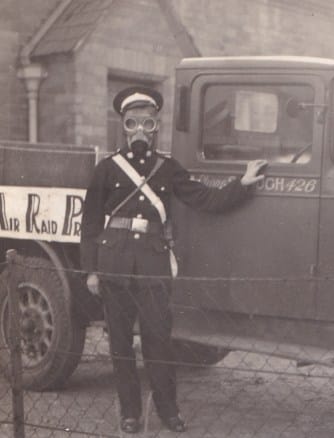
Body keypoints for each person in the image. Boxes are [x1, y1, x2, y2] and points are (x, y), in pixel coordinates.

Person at [80, 86, 266, 434]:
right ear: (123, 125)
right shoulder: (107, 169)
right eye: (132, 122)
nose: (139, 131)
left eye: (147, 123)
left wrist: (242, 183)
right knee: (120, 344)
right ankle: (130, 414)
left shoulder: (168, 168)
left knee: (158, 342)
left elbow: (205, 199)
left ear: (156, 127)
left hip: (153, 266)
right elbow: (90, 222)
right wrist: (91, 271)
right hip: (114, 266)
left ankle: (169, 411)